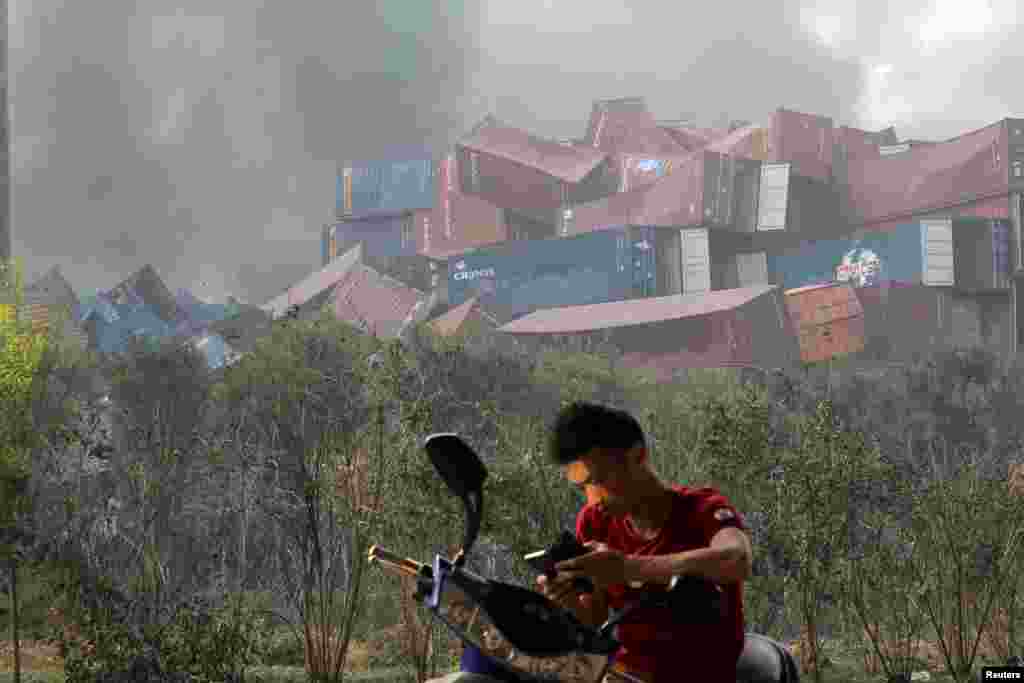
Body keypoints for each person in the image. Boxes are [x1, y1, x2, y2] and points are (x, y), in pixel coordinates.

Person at [537, 401, 753, 683]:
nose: (593, 499)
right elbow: (596, 617)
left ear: (637, 456)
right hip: (625, 675)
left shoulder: (703, 509)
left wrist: (628, 568)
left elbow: (737, 559)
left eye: (600, 480)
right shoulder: (594, 523)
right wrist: (567, 600)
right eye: (584, 488)